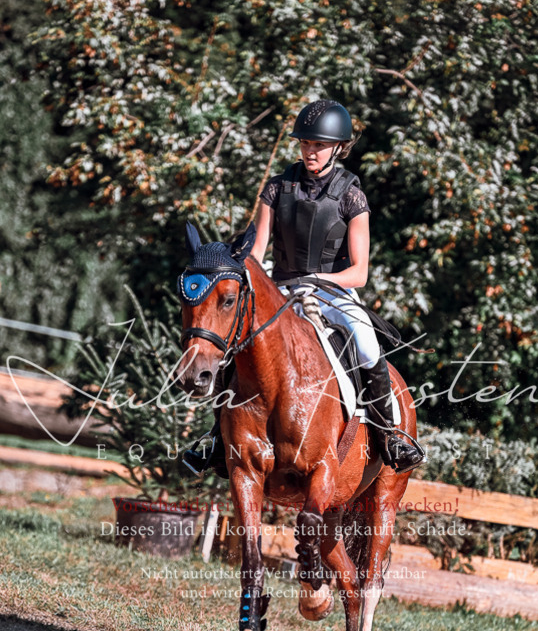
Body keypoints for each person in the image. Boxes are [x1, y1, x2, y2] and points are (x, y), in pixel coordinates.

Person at [182, 99, 425, 476]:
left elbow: (359, 272)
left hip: (332, 292)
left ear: (338, 148)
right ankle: (217, 438)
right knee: (238, 344)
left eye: (319, 145)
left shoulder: (351, 196)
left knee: (366, 343)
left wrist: (319, 280)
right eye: (306, 144)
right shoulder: (277, 189)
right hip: (279, 293)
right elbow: (255, 251)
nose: (311, 151)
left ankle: (388, 435)